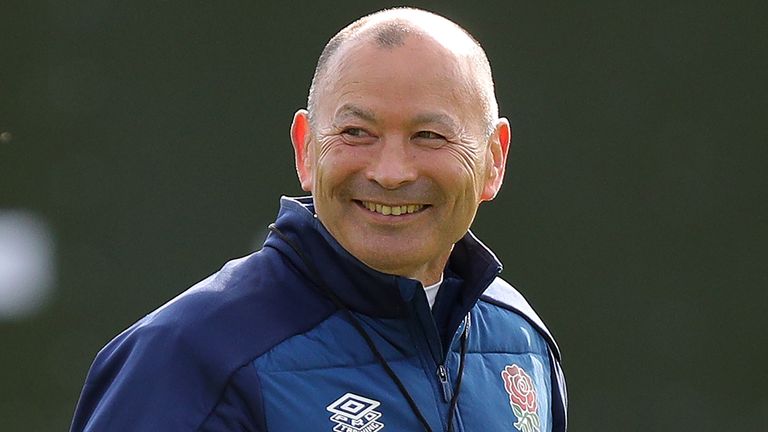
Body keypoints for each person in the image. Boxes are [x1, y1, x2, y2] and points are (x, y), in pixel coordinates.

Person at [71, 7, 567, 432]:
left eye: (429, 136)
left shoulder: (519, 340)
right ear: (305, 149)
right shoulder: (191, 356)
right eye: (356, 132)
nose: (390, 172)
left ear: (494, 160)